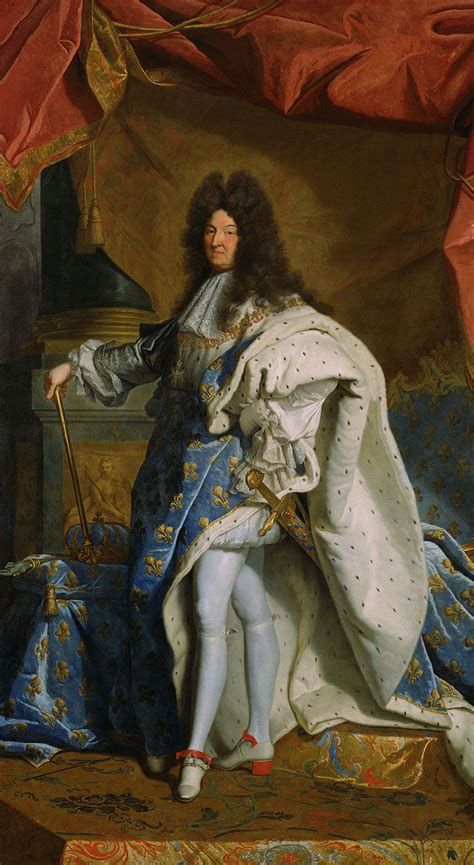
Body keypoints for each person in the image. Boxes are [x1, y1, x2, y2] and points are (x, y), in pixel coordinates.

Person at [44, 171, 473, 800]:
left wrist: (267, 414)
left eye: (230, 230)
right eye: (210, 230)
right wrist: (72, 364)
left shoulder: (273, 312)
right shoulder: (199, 302)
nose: (217, 239)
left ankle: (193, 751)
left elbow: (321, 361)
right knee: (242, 605)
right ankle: (256, 738)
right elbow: (146, 356)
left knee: (205, 609)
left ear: (252, 239)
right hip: (170, 478)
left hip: (230, 484)